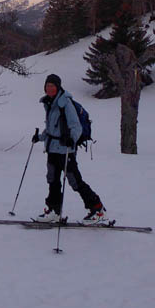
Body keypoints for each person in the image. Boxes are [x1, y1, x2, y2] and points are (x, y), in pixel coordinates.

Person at [32, 74, 107, 225]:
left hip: (66, 150)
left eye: (52, 86)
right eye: (47, 86)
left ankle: (97, 209)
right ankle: (54, 211)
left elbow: (76, 127)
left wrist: (71, 140)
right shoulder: (49, 103)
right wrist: (39, 137)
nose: (50, 89)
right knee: (52, 180)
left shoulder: (65, 103)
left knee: (75, 181)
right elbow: (51, 129)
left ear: (58, 87)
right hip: (52, 149)